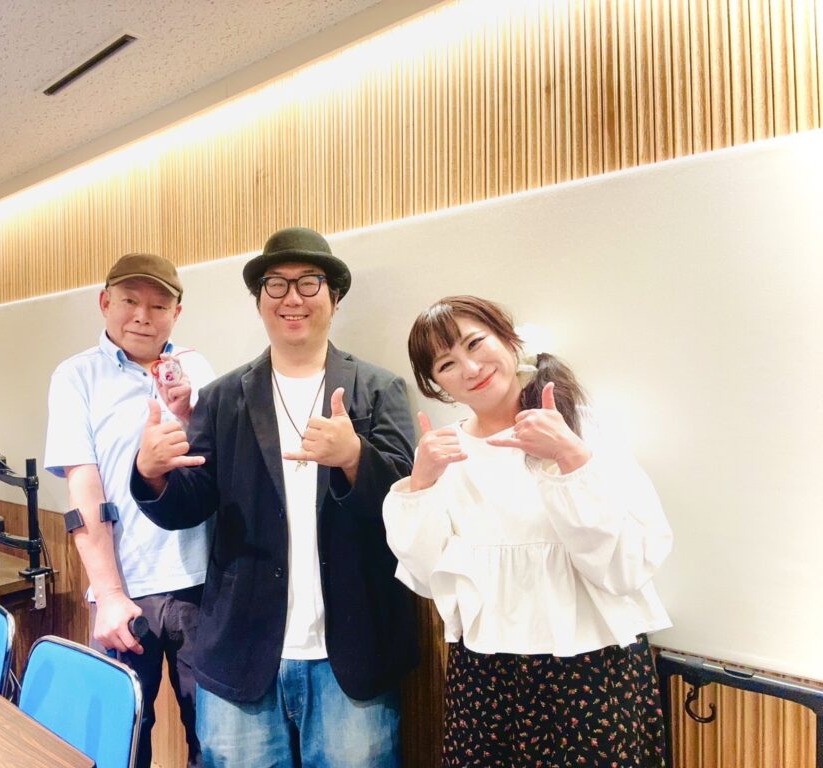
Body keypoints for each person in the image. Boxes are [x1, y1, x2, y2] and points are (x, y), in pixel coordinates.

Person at [130, 227, 419, 767]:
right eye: (276, 284)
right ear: (260, 300)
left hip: (353, 652)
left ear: (334, 297)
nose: (292, 297)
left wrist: (355, 458)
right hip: (241, 650)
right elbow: (191, 504)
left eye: (309, 283)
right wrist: (151, 475)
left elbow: (409, 504)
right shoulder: (223, 398)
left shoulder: (379, 389)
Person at [383, 295, 672, 767]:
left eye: (476, 343)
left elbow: (628, 567)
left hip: (592, 666)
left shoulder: (584, 429)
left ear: (509, 339)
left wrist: (571, 458)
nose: (470, 368)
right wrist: (422, 484)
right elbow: (427, 576)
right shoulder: (444, 453)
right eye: (447, 364)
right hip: (484, 673)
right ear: (438, 386)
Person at [44, 253, 214, 768]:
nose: (143, 316)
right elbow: (84, 487)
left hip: (201, 585)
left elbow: (214, 468)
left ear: (176, 314)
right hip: (124, 590)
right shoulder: (77, 375)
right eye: (130, 301)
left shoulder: (197, 368)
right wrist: (110, 594)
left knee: (214, 740)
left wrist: (189, 414)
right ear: (105, 302)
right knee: (123, 740)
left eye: (159, 305)